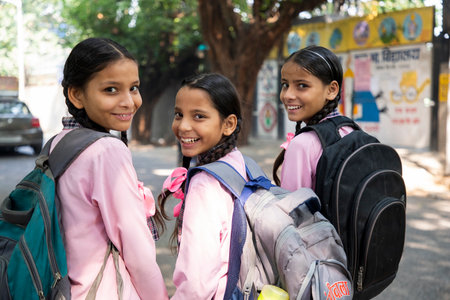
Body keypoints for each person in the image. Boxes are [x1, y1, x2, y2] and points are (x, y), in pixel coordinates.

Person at [52, 37, 168, 299]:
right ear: (76, 94)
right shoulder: (106, 151)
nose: (129, 101)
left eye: (134, 88)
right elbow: (137, 251)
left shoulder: (58, 142)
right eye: (111, 90)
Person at [158, 73, 244, 299]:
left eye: (198, 116)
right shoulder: (240, 162)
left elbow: (196, 286)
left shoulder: (205, 185)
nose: (183, 126)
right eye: (179, 114)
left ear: (228, 124)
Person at [272, 45, 352, 191]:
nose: (288, 95)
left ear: (331, 90)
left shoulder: (302, 145)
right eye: (285, 85)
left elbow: (292, 211)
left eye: (302, 85)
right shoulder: (350, 130)